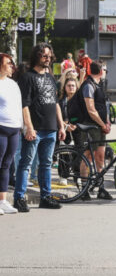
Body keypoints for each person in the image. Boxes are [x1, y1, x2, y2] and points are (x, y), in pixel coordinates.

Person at [14, 43, 67, 211]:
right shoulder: (27, 77)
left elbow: (56, 103)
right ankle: (19, 198)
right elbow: (24, 105)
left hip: (51, 129)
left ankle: (45, 197)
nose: (48, 59)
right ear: (37, 56)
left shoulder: (50, 77)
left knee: (46, 164)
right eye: (45, 56)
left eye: (50, 56)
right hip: (35, 129)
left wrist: (61, 126)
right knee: (26, 164)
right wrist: (28, 127)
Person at [71, 61, 113, 200]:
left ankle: (101, 188)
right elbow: (91, 109)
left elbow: (102, 106)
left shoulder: (99, 85)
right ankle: (84, 189)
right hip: (89, 125)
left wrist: (106, 122)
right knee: (88, 156)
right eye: (106, 69)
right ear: (101, 71)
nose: (106, 72)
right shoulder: (89, 85)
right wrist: (102, 124)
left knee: (100, 156)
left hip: (100, 125)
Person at [0, 53, 21, 215]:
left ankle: (3, 200)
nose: (11, 66)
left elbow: (18, 105)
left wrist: (23, 125)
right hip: (1, 128)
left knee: (7, 165)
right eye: (8, 63)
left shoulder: (13, 84)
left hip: (14, 129)